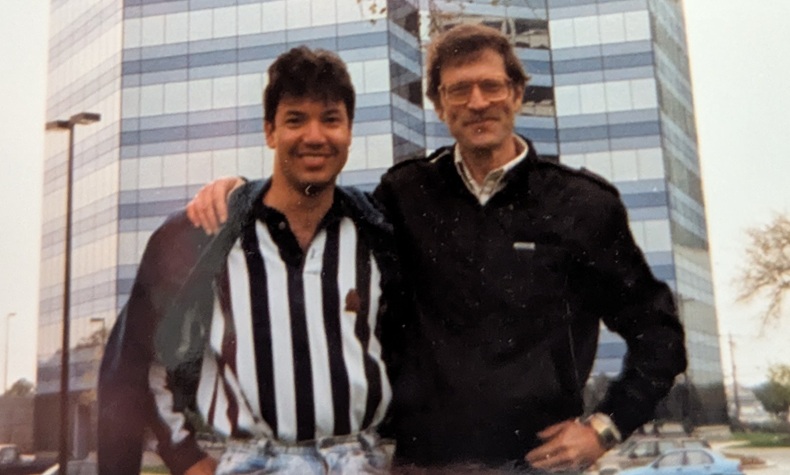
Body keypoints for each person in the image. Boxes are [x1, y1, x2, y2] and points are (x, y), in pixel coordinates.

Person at [186, 24, 687, 473]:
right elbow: (317, 204)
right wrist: (242, 192)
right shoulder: (404, 194)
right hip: (421, 463)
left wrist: (604, 429)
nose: (476, 102)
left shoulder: (583, 205)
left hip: (536, 464)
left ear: (516, 93)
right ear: (439, 104)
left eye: (491, 86)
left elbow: (659, 335)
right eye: (458, 90)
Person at [97, 46, 403, 475]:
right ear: (269, 131)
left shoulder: (380, 232)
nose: (314, 136)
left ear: (350, 130)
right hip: (247, 460)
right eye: (295, 119)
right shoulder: (205, 235)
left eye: (330, 119)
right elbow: (142, 361)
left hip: (357, 459)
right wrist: (187, 459)